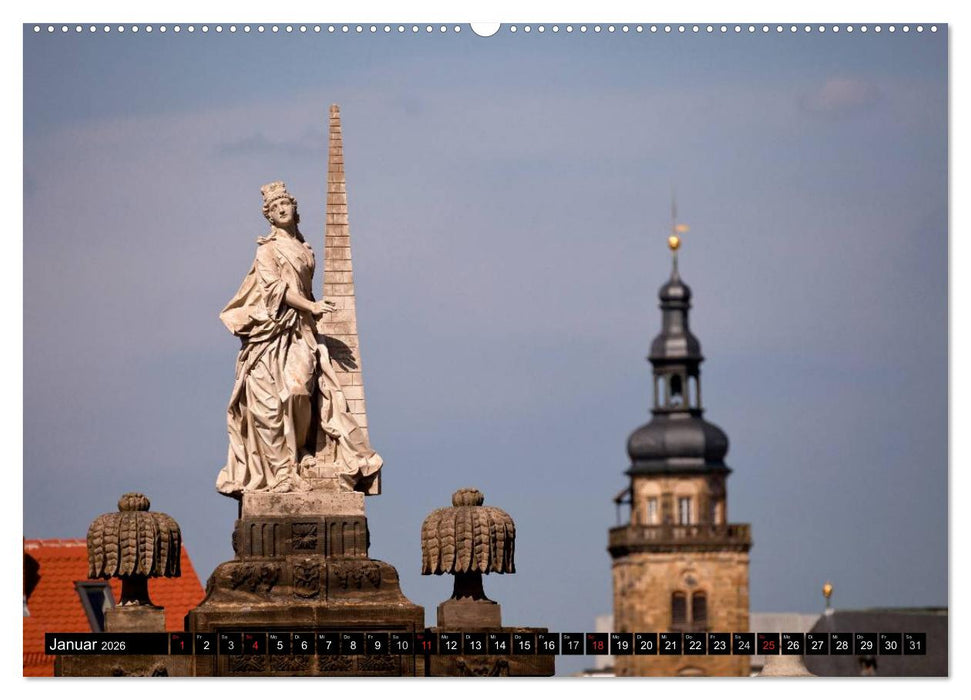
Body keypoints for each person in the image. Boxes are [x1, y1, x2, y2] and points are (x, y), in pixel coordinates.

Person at [216, 181, 382, 496]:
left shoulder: (305, 249)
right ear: (269, 216)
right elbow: (275, 290)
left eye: (285, 204)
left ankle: (303, 448)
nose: (281, 209)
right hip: (271, 333)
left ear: (294, 208)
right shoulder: (266, 250)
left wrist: (310, 310)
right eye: (274, 207)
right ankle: (286, 467)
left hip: (301, 331)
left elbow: (301, 286)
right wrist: (312, 306)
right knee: (278, 401)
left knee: (300, 390)